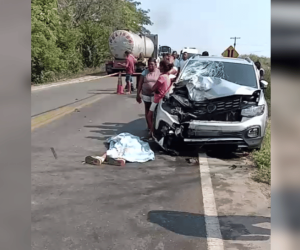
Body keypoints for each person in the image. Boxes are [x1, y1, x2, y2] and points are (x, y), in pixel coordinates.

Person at [146, 60, 174, 139]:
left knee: (149, 116)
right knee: (155, 117)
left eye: (160, 66)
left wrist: (153, 89)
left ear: (162, 67)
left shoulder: (161, 77)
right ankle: (152, 132)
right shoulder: (167, 76)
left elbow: (153, 88)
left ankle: (152, 132)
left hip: (157, 99)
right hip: (163, 99)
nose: (158, 67)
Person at [136, 58, 160, 131]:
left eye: (152, 64)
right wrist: (138, 94)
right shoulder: (144, 72)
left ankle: (154, 126)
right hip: (146, 94)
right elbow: (140, 84)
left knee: (155, 111)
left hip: (155, 95)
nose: (150, 66)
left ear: (155, 65)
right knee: (147, 110)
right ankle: (149, 127)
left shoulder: (159, 72)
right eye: (149, 64)